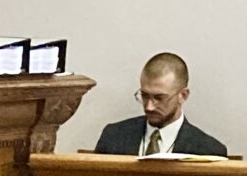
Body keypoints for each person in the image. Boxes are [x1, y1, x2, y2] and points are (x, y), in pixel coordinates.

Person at [94, 52, 227, 157]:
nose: (149, 107)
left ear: (183, 95)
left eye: (159, 98)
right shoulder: (113, 137)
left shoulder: (209, 151)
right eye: (145, 96)